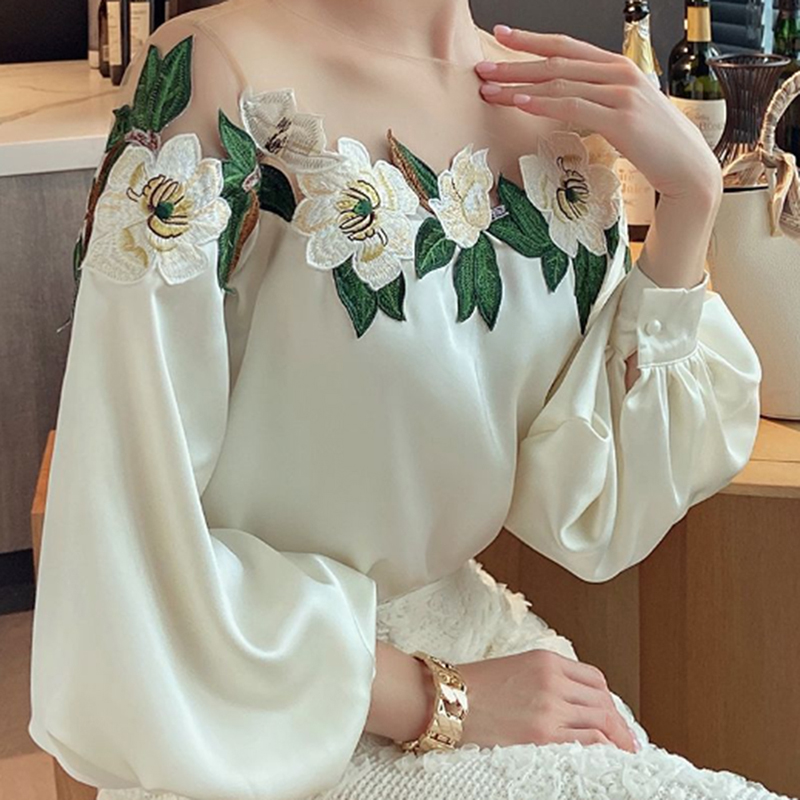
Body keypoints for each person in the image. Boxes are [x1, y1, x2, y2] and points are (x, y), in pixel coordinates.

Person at [27, 0, 792, 798]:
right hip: (249, 693)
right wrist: (436, 698)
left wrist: (690, 199)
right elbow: (120, 526)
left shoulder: (553, 107)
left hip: (480, 643)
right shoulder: (215, 71)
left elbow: (594, 504)